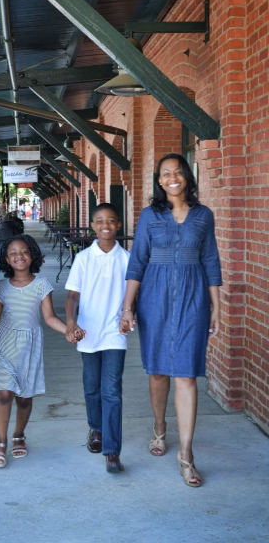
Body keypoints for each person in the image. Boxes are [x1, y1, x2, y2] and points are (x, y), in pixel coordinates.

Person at [120, 153, 222, 487]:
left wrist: (216, 306)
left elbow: (211, 261)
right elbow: (137, 263)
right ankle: (160, 427)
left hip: (194, 299)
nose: (172, 177)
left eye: (178, 172)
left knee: (187, 374)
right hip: (154, 298)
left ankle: (187, 455)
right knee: (159, 371)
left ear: (187, 178)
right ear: (159, 181)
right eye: (166, 173)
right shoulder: (150, 216)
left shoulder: (203, 216)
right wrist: (127, 307)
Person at [0, 234, 77, 468]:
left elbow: (49, 318)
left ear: (32, 255)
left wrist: (68, 330)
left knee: (23, 398)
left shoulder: (42, 284)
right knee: (4, 394)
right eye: (13, 253)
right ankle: (0, 443)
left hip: (30, 347)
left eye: (23, 252)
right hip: (5, 345)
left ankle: (18, 435)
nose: (19, 256)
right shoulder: (1, 287)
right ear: (6, 260)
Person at [65, 203, 129, 473]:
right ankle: (96, 428)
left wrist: (130, 314)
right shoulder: (83, 259)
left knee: (112, 391)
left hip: (115, 333)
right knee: (92, 386)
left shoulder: (127, 258)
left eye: (111, 221)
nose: (106, 225)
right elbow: (72, 295)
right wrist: (71, 321)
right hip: (88, 332)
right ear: (92, 225)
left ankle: (112, 450)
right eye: (100, 221)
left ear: (119, 225)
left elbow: (133, 295)